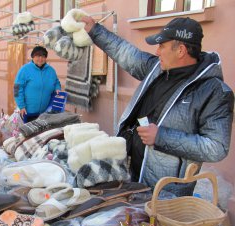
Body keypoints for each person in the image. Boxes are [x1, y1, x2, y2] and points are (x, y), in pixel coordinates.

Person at [81, 16, 234, 196]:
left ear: (181, 50)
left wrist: (161, 137)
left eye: (162, 46)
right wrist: (94, 30)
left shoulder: (215, 92)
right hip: (130, 173)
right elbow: (126, 53)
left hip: (164, 191)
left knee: (149, 225)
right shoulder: (157, 68)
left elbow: (217, 148)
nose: (157, 51)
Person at [14, 45, 61, 123]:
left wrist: (57, 88)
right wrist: (21, 106)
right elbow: (17, 89)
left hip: (45, 113)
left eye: (43, 56)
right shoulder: (25, 70)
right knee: (30, 133)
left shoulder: (51, 70)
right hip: (28, 112)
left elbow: (56, 82)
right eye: (38, 56)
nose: (40, 59)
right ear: (33, 56)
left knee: (43, 134)